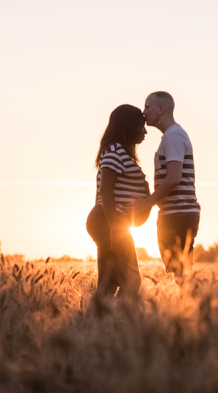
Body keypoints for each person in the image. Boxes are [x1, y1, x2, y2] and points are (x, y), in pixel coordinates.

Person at [131, 91, 200, 279]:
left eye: (147, 107)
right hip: (177, 214)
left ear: (160, 109)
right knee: (181, 274)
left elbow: (173, 178)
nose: (143, 113)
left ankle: (198, 306)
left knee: (182, 275)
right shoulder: (172, 136)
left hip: (178, 215)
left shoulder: (173, 137)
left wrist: (147, 203)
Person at [86, 104, 151, 299]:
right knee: (130, 280)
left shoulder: (120, 152)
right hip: (109, 223)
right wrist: (114, 227)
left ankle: (105, 323)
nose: (145, 131)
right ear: (128, 126)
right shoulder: (115, 152)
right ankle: (115, 323)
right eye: (141, 126)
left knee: (111, 281)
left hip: (109, 222)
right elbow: (105, 191)